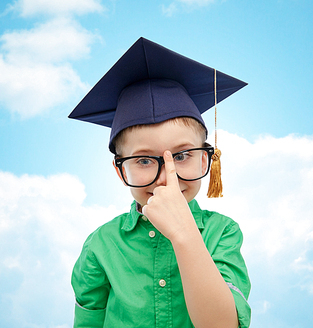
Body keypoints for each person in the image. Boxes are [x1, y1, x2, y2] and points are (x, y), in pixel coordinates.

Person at [69, 37, 251, 328]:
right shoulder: (101, 245)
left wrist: (184, 235)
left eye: (181, 156)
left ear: (206, 160)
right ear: (121, 172)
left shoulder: (223, 233)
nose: (168, 178)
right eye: (143, 160)